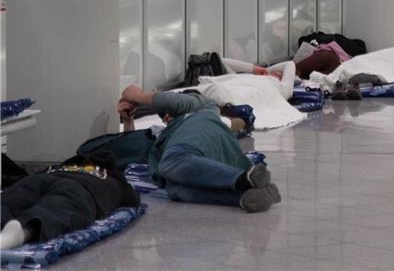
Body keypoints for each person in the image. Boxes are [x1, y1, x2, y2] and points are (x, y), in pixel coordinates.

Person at [117, 86, 281, 213]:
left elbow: (173, 101)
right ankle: (246, 195)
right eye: (164, 116)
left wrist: (137, 96)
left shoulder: (202, 107)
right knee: (176, 190)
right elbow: (134, 148)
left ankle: (242, 179)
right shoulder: (163, 137)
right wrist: (128, 121)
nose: (166, 116)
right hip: (205, 165)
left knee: (174, 160)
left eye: (169, 112)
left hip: (202, 145)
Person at [0, 150, 140, 249]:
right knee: (54, 209)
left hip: (43, 178)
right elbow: (134, 200)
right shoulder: (114, 179)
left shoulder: (63, 166)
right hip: (80, 189)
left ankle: (11, 227)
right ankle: (22, 232)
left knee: (12, 198)